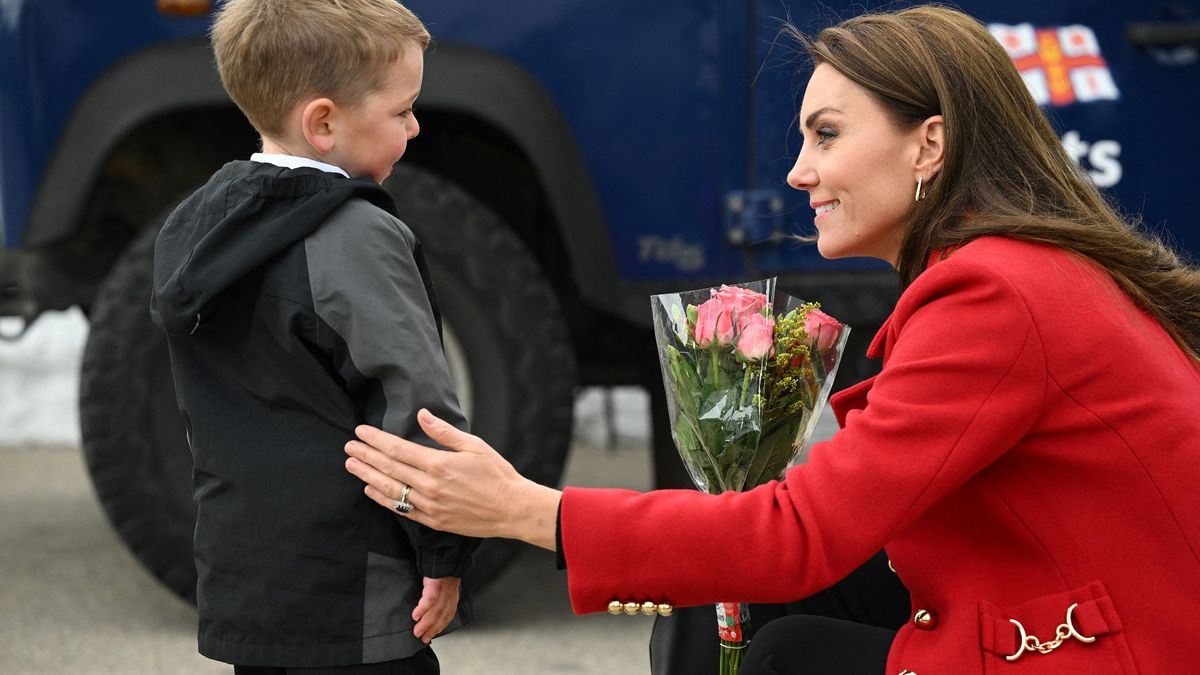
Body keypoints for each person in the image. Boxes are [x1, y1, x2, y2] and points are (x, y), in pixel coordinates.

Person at [342, 5, 1200, 674]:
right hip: (1090, 611)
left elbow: (802, 534)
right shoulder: (1013, 269)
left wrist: (528, 510)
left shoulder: (995, 292)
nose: (798, 170)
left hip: (1114, 645)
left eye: (826, 134)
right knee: (721, 586)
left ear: (928, 144)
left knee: (787, 652)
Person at [149, 1, 479, 672]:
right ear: (323, 122)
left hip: (251, 587)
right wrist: (445, 555)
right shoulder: (353, 236)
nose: (415, 127)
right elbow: (415, 409)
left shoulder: (194, 228)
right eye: (401, 111)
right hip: (356, 593)